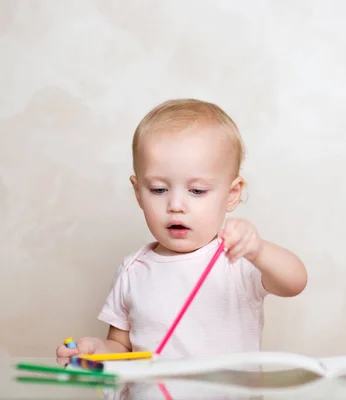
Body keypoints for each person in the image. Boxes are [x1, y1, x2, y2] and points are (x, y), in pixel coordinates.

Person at [56, 99, 307, 365]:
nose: (175, 205)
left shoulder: (236, 259)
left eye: (197, 190)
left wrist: (258, 250)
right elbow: (122, 348)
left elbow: (295, 282)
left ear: (232, 194)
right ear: (138, 192)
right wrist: (96, 351)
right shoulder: (133, 269)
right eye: (158, 190)